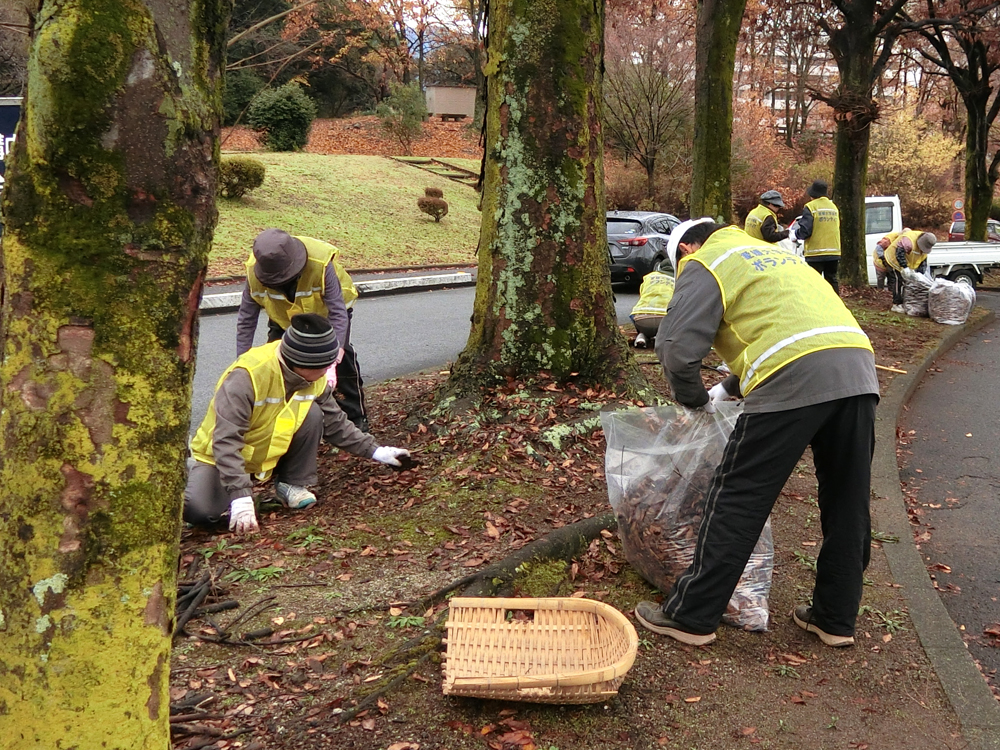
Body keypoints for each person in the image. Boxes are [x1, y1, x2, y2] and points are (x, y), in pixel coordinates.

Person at [634, 218, 880, 649]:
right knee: (848, 499)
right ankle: (835, 619)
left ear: (687, 249)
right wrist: (726, 388)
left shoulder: (706, 260)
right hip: (857, 369)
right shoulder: (775, 256)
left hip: (793, 376)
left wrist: (693, 401)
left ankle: (691, 616)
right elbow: (786, 328)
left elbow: (675, 349)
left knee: (738, 496)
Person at [186, 313, 411, 535]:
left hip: (262, 455)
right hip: (218, 457)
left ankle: (291, 483)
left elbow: (336, 423)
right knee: (200, 512)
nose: (326, 372)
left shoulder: (314, 375)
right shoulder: (247, 377)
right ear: (300, 363)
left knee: (313, 413)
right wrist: (241, 495)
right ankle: (191, 472)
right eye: (323, 367)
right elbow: (226, 440)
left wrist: (376, 451)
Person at [237, 228, 370, 433]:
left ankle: (355, 419)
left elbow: (337, 312)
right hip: (284, 319)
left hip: (327, 314)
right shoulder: (256, 271)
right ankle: (288, 422)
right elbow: (247, 319)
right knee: (277, 364)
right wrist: (242, 362)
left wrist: (333, 360)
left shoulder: (320, 263)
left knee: (342, 361)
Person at [872, 229, 936, 313]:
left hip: (907, 264)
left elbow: (922, 260)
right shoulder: (908, 241)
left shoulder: (926, 243)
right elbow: (899, 254)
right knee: (898, 280)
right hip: (893, 259)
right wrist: (905, 267)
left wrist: (920, 275)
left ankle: (906, 302)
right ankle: (896, 304)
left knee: (908, 283)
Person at [794, 179, 841, 294]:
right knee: (832, 279)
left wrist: (795, 235)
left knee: (814, 281)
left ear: (813, 194)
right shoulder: (833, 207)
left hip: (816, 252)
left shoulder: (810, 207)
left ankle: (815, 305)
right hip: (834, 251)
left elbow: (806, 230)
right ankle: (835, 305)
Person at [630, 260, 675, 348]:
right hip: (664, 320)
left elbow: (642, 295)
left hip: (641, 320)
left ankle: (641, 336)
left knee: (636, 312)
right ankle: (660, 337)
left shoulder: (648, 277)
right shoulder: (677, 280)